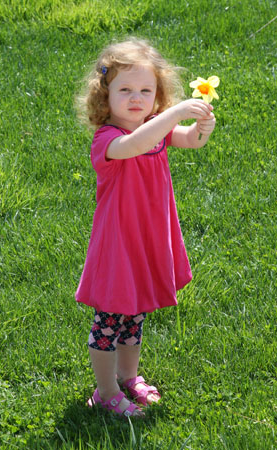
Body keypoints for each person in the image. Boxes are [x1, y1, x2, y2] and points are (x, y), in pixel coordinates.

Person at [75, 38, 216, 418]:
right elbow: (136, 145)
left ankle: (128, 377)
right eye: (125, 90)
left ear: (157, 96)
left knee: (135, 314)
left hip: (147, 238)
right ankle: (104, 392)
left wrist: (202, 127)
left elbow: (189, 140)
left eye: (145, 91)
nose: (136, 98)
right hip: (118, 242)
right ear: (106, 98)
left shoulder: (154, 125)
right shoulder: (108, 140)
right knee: (109, 319)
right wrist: (174, 114)